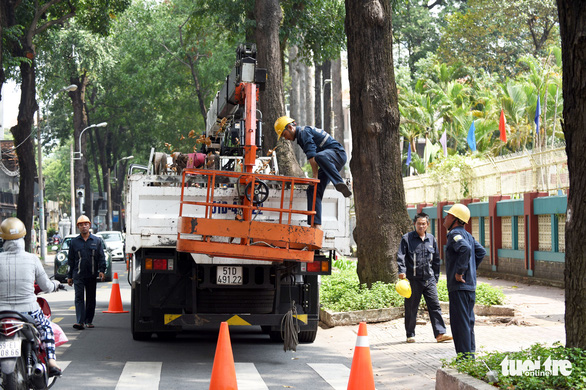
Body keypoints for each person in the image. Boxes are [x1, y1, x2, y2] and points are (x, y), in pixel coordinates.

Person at [0, 217, 62, 376]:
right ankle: (52, 362)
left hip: (1, 313)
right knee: (46, 328)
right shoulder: (32, 258)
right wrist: (55, 284)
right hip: (29, 313)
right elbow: (46, 286)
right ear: (23, 237)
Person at [274, 116, 352, 229]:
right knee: (313, 190)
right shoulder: (301, 136)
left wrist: (314, 176)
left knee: (319, 157)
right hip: (328, 163)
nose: (285, 138)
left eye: (284, 135)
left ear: (290, 127)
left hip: (337, 155)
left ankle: (339, 182)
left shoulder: (303, 132)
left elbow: (312, 156)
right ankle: (315, 225)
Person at [397, 212, 452, 344]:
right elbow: (401, 256)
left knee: (435, 306)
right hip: (413, 280)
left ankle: (440, 334)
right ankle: (410, 334)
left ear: (427, 225)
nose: (421, 226)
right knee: (411, 307)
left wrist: (436, 277)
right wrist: (402, 271)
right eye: (419, 224)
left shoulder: (432, 239)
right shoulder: (407, 239)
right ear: (414, 224)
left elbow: (436, 260)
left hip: (429, 279)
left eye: (423, 224)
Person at [443, 204, 486, 359]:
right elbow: (481, 252)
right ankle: (470, 357)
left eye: (448, 215)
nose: (445, 218)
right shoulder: (468, 235)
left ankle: (465, 359)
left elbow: (465, 249)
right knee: (468, 323)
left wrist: (460, 271)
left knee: (460, 324)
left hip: (459, 287)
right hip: (469, 287)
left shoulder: (454, 234)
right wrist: (471, 270)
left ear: (455, 219)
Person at [67, 215, 106, 330]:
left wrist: (102, 271)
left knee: (90, 298)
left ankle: (89, 321)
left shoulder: (96, 241)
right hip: (78, 275)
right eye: (81, 225)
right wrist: (69, 276)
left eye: (86, 224)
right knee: (79, 297)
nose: (84, 227)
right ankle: (80, 321)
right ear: (78, 227)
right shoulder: (74, 242)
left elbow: (101, 257)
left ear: (89, 225)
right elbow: (71, 260)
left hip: (91, 275)